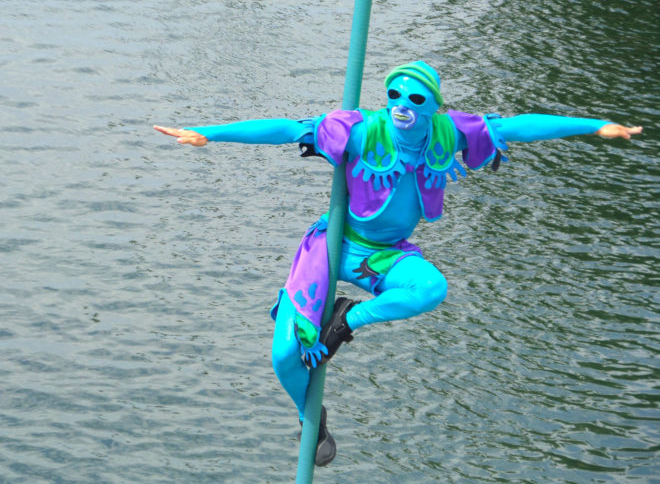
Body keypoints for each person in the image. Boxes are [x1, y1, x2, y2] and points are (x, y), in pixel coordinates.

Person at [154, 61, 642, 466]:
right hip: (335, 246)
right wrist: (208, 134)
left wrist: (595, 126)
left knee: (431, 289)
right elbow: (287, 128)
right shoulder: (362, 129)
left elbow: (519, 126)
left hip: (387, 257)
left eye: (415, 100)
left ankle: (348, 319)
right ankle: (310, 417)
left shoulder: (449, 134)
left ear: (435, 108)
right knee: (285, 353)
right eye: (395, 95)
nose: (403, 107)